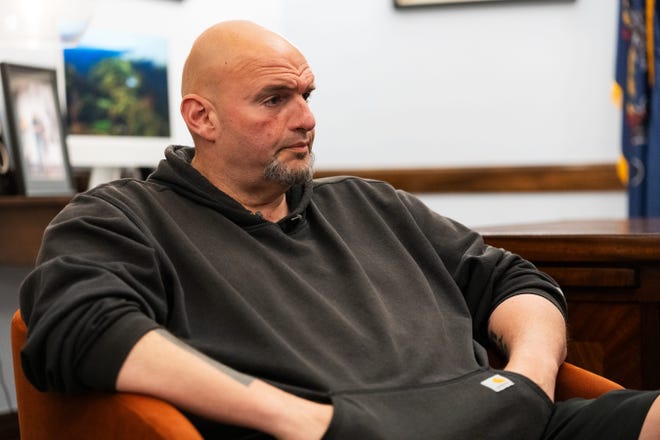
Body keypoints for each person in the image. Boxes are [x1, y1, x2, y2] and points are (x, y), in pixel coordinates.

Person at [19, 20, 659, 439]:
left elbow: (513, 279)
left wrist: (528, 378)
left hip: (510, 419)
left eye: (308, 95)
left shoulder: (371, 204)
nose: (306, 120)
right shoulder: (123, 217)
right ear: (201, 118)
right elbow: (84, 329)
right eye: (275, 100)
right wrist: (301, 422)